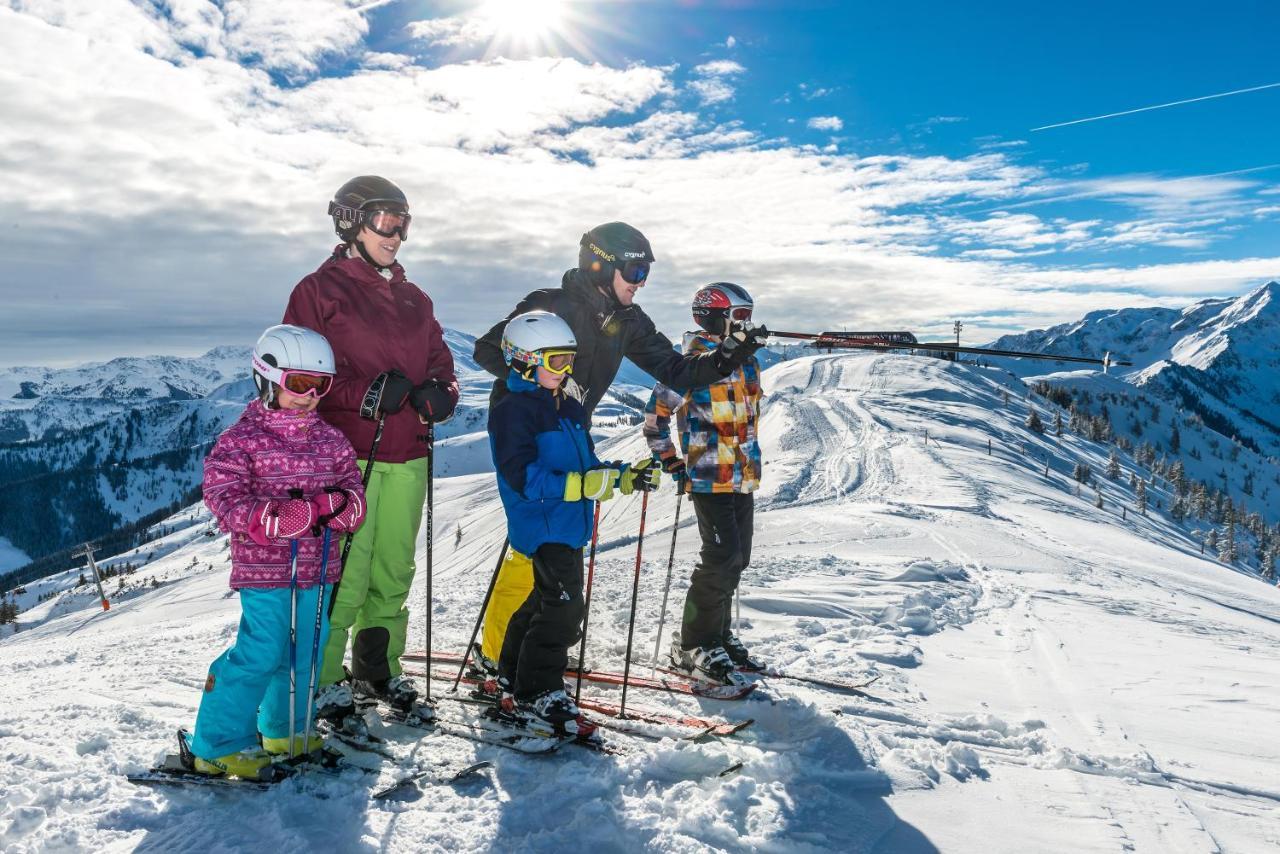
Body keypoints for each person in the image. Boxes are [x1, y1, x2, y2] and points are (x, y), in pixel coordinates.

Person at [471, 222, 766, 673]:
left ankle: (534, 646)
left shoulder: (629, 321)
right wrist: (545, 390)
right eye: (633, 270)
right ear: (598, 264)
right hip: (528, 432)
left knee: (562, 546)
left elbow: (677, 370)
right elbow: (488, 351)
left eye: (646, 272)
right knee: (529, 548)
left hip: (573, 433)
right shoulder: (550, 304)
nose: (640, 282)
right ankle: (494, 657)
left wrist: (727, 356)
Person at [282, 176, 458, 723]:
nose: (397, 233)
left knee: (392, 569)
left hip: (408, 452)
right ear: (350, 222)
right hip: (348, 456)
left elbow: (442, 365)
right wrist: (366, 395)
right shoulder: (319, 292)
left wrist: (441, 396)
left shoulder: (415, 298)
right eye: (386, 220)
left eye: (404, 221)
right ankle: (326, 676)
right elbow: (297, 377)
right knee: (345, 573)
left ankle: (378, 669)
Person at [188, 325, 367, 777]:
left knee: (306, 651)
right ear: (267, 379)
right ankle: (216, 742)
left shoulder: (331, 440)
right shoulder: (241, 440)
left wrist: (343, 508)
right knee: (261, 652)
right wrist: (271, 517)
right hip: (265, 571)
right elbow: (224, 496)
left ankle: (285, 730)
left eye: (319, 386)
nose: (308, 395)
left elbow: (352, 492)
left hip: (317, 568)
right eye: (298, 384)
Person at [488, 311, 645, 735]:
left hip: (568, 521)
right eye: (557, 361)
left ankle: (511, 676)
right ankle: (538, 690)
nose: (566, 370)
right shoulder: (513, 411)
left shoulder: (568, 407)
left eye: (568, 361)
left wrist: (623, 475)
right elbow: (520, 476)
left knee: (543, 601)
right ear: (524, 359)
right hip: (541, 523)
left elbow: (587, 465)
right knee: (563, 608)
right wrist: (578, 485)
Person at [643, 283, 764, 687]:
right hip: (709, 477)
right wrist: (673, 463)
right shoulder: (688, 366)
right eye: (739, 316)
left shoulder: (747, 363)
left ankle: (718, 636)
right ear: (714, 317)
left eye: (748, 316)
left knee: (738, 558)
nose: (744, 324)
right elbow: (654, 421)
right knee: (720, 558)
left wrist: (743, 348)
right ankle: (692, 643)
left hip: (742, 476)